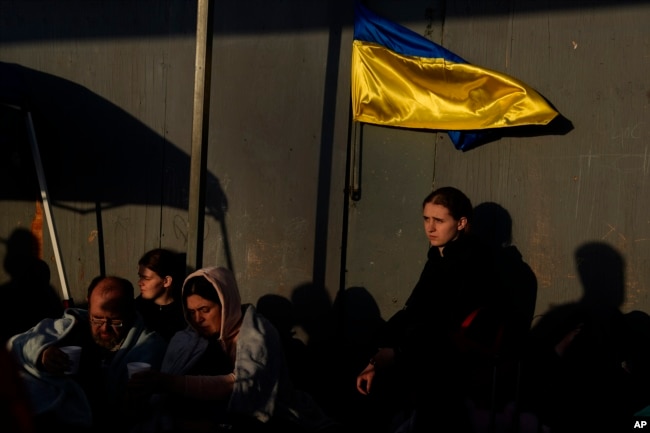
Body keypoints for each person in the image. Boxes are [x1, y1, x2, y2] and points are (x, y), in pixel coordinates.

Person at [355, 186, 504, 433]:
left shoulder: (471, 263)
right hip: (421, 352)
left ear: (460, 222)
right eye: (426, 219)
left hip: (447, 363)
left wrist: (395, 354)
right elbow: (413, 310)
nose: (430, 228)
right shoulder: (439, 256)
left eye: (439, 220)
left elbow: (443, 326)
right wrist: (377, 355)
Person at [128, 266, 341, 433]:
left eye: (205, 310)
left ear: (226, 303)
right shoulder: (188, 338)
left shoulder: (257, 335)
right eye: (191, 312)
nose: (197, 319)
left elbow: (244, 386)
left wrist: (167, 382)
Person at [7, 275, 168, 433]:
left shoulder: (148, 347)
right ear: (89, 306)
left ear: (130, 312)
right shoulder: (70, 326)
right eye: (97, 319)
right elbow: (16, 345)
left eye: (115, 321)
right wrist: (42, 354)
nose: (104, 328)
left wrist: (130, 406)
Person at [135, 248, 187, 341]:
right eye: (140, 276)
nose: (140, 282)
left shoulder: (184, 313)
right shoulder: (135, 310)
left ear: (166, 281)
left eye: (146, 278)